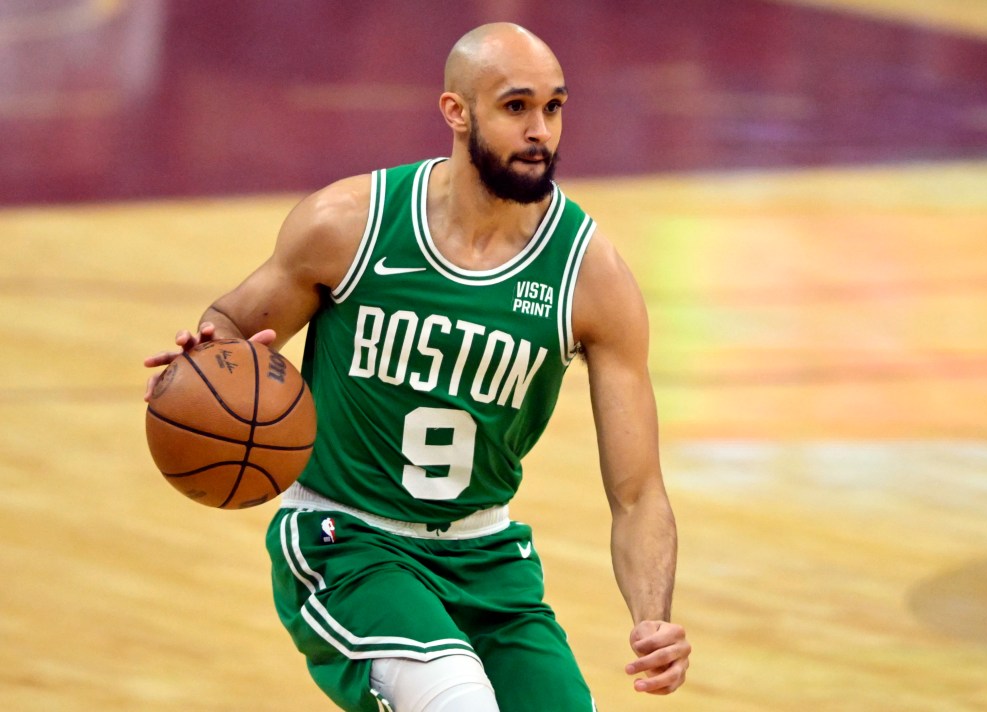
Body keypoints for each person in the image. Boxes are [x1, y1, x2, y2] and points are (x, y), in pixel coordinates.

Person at [144, 22, 689, 712]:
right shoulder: (349, 225)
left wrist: (652, 616)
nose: (540, 131)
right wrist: (207, 362)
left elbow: (638, 493)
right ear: (456, 113)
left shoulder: (590, 277)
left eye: (554, 107)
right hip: (348, 541)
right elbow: (232, 322)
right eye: (516, 106)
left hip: (487, 558)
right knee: (455, 700)